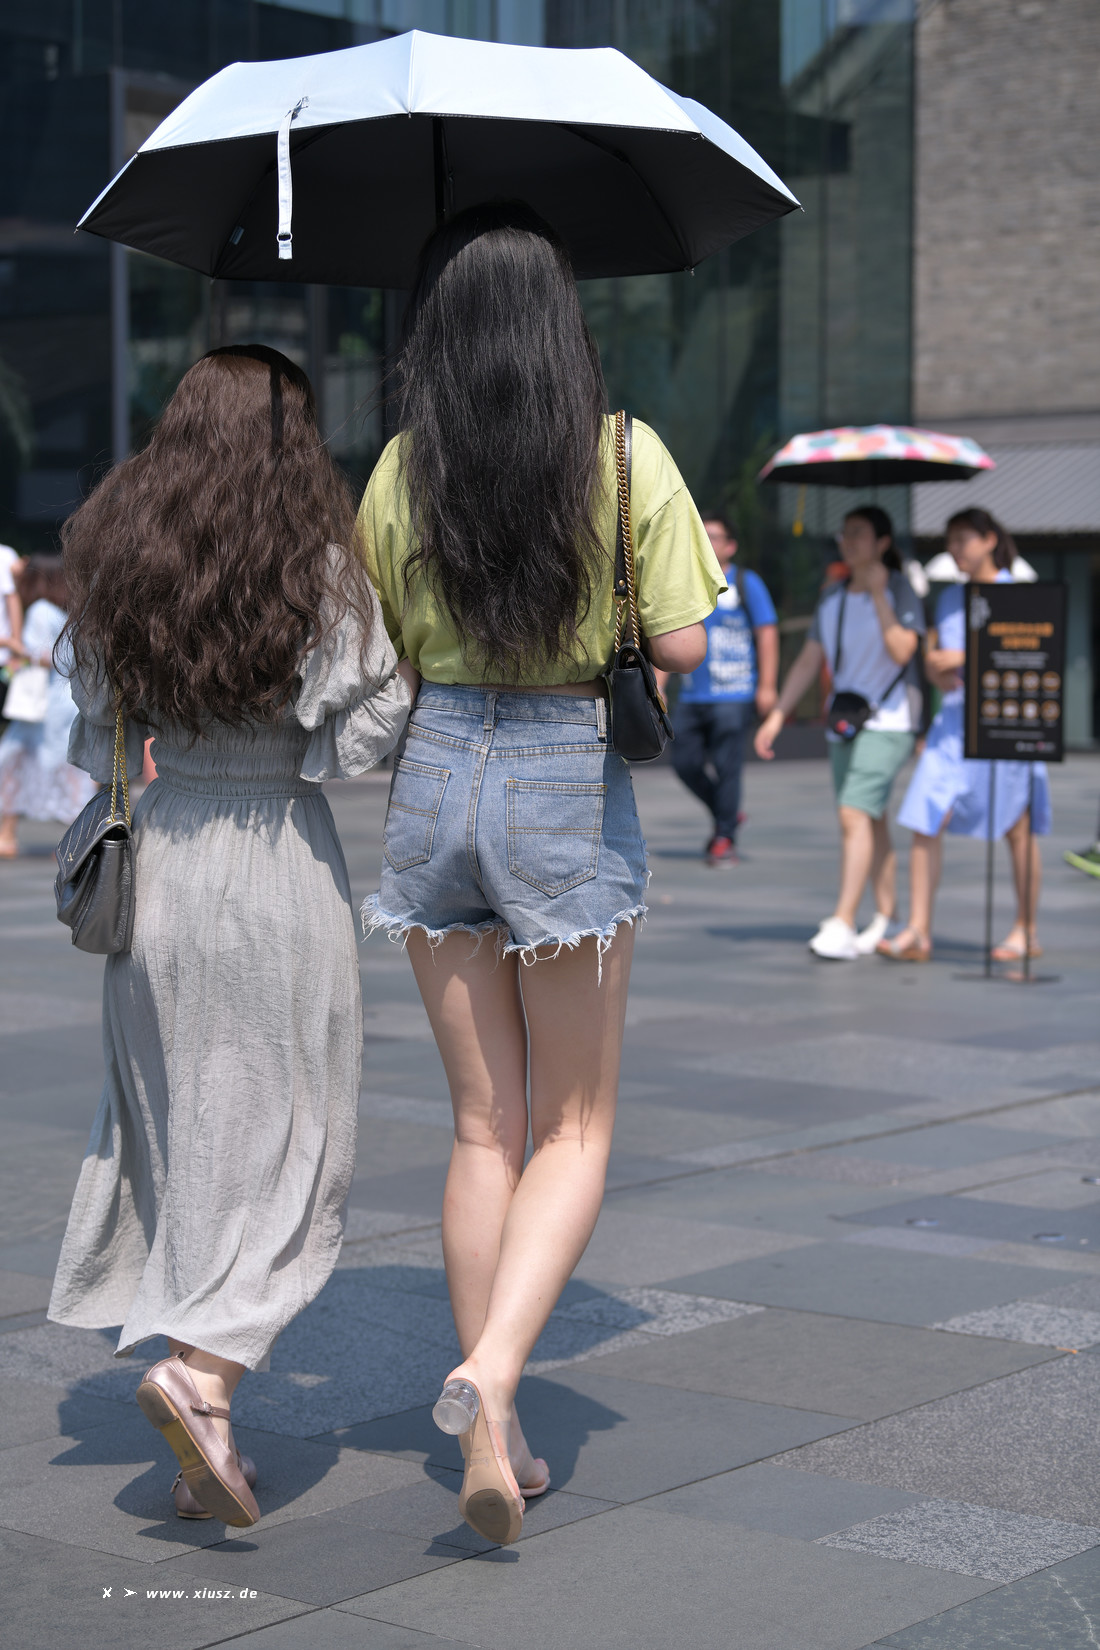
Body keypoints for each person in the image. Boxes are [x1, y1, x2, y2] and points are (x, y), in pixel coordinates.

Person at [358, 202, 719, 1544]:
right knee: (571, 1126)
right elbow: (681, 647)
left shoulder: (404, 467)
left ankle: (492, 1437)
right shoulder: (622, 455)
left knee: (481, 1125)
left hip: (435, 766)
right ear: (562, 321)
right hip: (564, 768)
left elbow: (387, 644)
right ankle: (495, 1372)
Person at [47, 346, 410, 1527]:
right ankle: (201, 1378)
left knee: (185, 1136)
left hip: (161, 865)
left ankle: (205, 1421)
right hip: (276, 859)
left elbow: (90, 731)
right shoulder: (318, 566)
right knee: (296, 1139)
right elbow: (366, 730)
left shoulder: (123, 557)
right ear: (293, 444)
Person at [880, 507, 1051, 961]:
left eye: (963, 539)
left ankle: (1026, 928)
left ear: (989, 539)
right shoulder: (951, 598)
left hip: (1007, 720)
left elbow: (1029, 652)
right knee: (925, 815)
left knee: (1017, 825)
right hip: (953, 724)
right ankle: (918, 929)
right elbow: (937, 657)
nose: (955, 549)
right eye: (950, 540)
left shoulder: (1019, 593)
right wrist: (937, 668)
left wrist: (963, 657)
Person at [755, 505, 925, 960]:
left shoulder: (901, 590)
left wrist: (880, 594)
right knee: (869, 817)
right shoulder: (832, 598)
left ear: (882, 543)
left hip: (890, 722)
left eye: (859, 533)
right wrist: (778, 715)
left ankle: (843, 921)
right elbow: (810, 660)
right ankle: (888, 916)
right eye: (844, 533)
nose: (848, 541)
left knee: (853, 813)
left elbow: (903, 650)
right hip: (845, 722)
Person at [666, 514, 778, 865]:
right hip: (692, 694)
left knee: (728, 765)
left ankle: (724, 837)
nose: (706, 541)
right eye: (701, 534)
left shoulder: (747, 582)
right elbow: (667, 633)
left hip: (735, 692)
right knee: (684, 762)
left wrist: (768, 685)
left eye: (714, 536)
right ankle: (726, 812)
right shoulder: (685, 582)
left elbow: (767, 633)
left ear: (731, 546)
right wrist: (659, 685)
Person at [0, 555, 95, 857]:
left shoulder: (40, 610)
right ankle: (79, 836)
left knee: (12, 760)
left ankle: (7, 835)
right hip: (68, 701)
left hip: (44, 704)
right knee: (68, 769)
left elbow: (45, 657)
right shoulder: (74, 614)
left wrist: (15, 649)